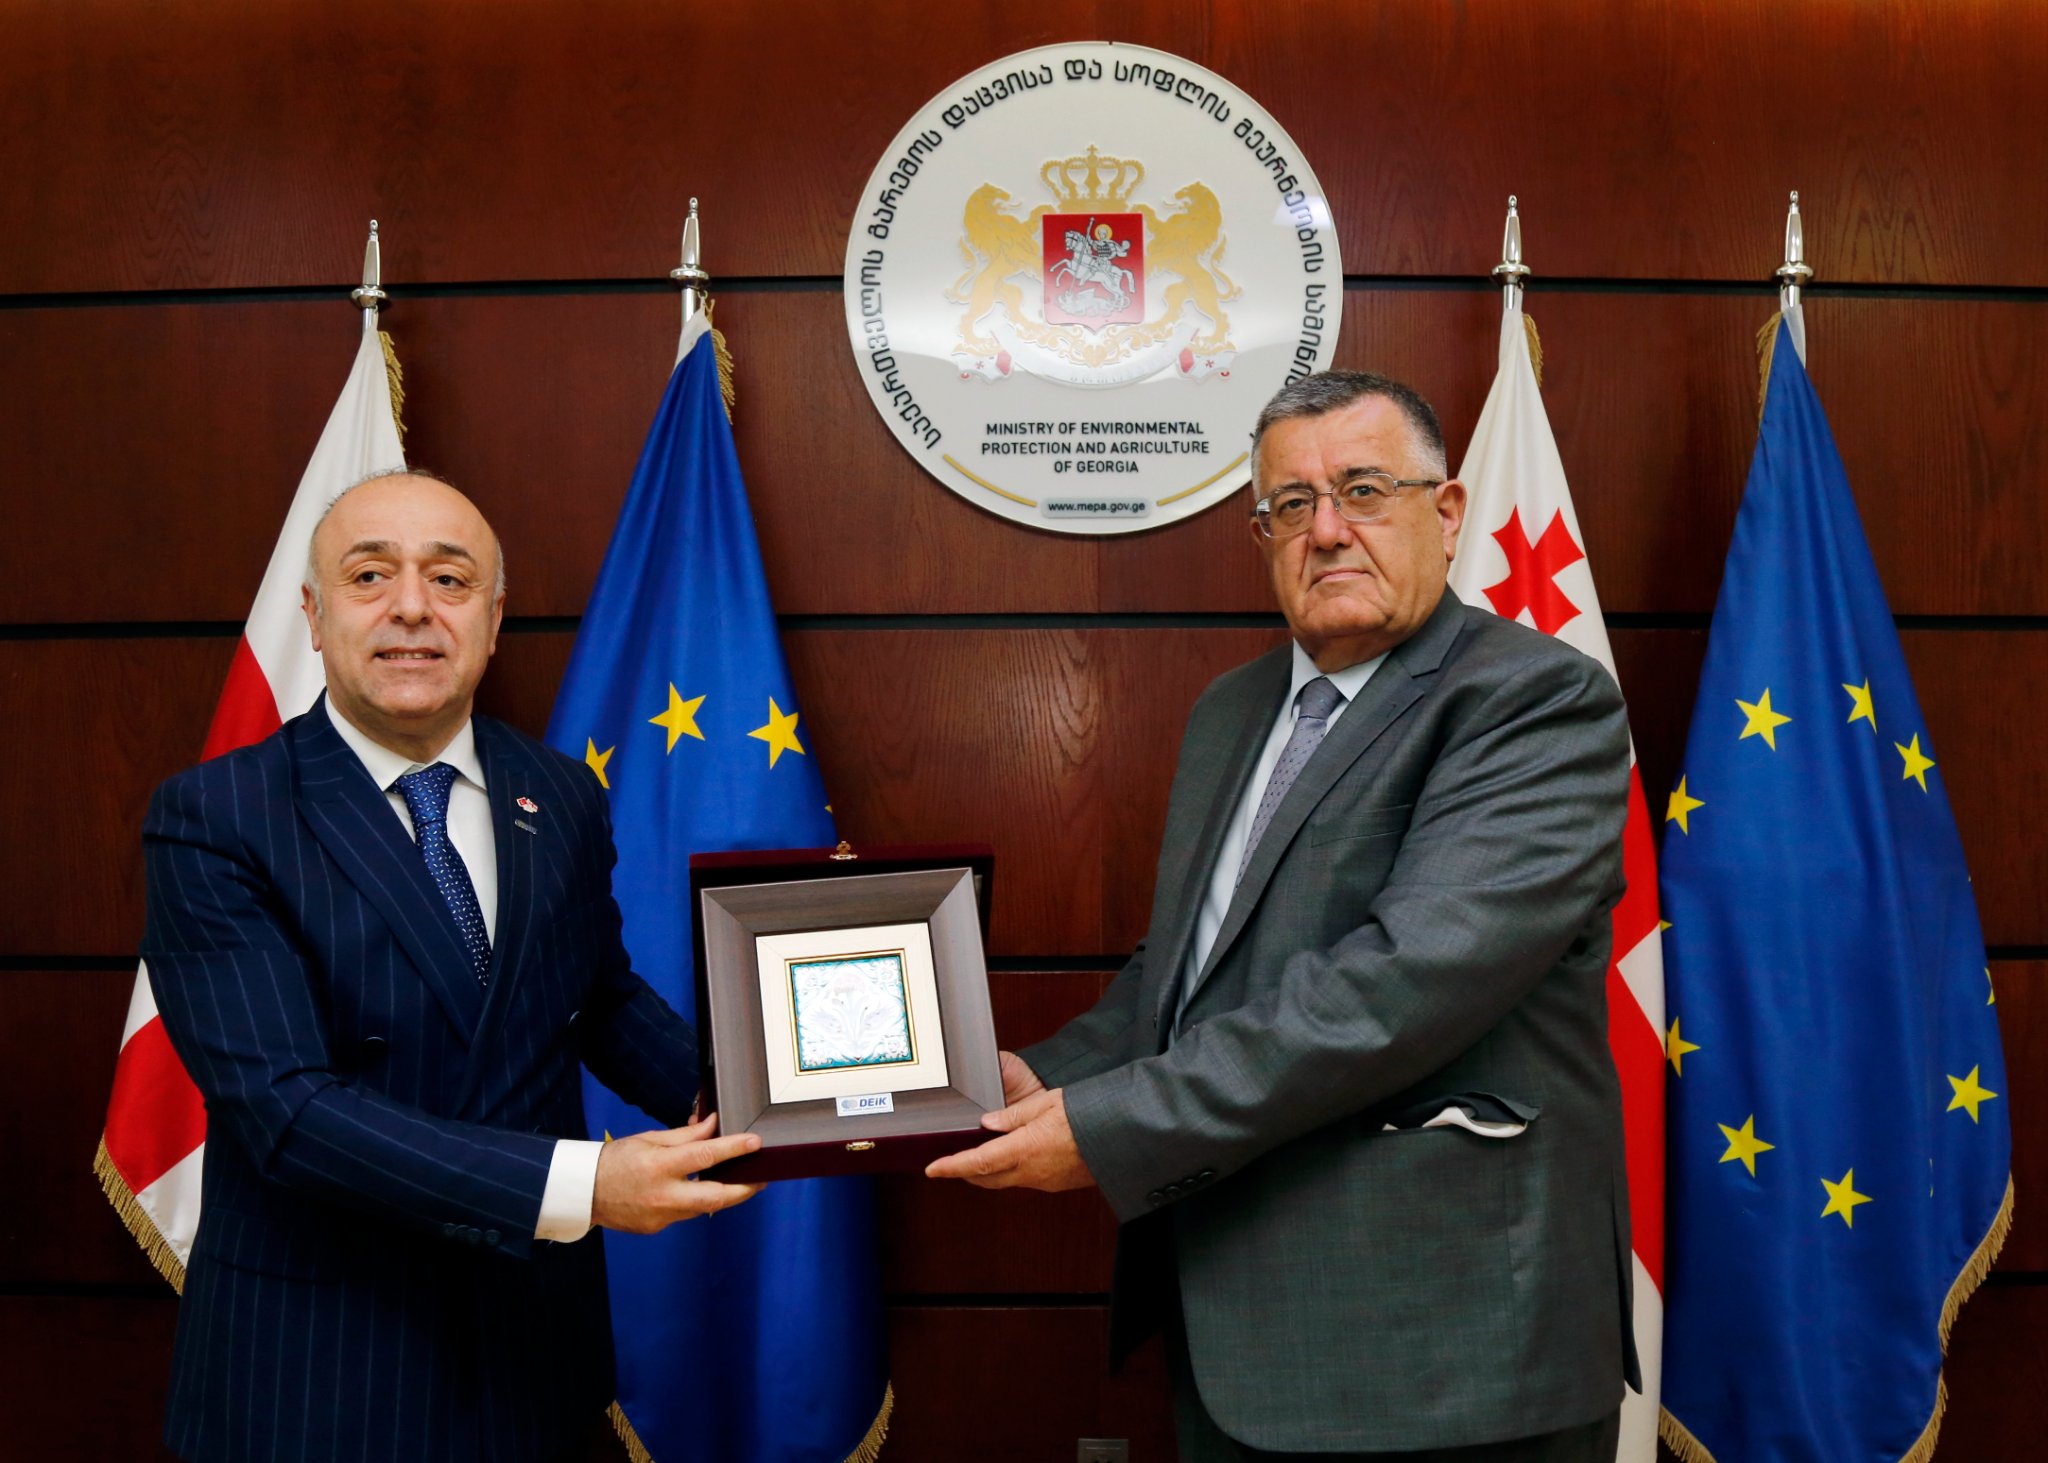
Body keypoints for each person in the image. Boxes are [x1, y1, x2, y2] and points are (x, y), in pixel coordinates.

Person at [929, 372, 1639, 1461]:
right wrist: (1051, 1076)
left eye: (1364, 489)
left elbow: (1398, 985)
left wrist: (1110, 1125)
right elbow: (1189, 964)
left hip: (1447, 1351)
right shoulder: (1232, 709)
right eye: (1292, 504)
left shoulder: (1533, 700)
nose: (1328, 529)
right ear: (1262, 534)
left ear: (1447, 513)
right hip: (1234, 1323)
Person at [141, 470, 761, 1463]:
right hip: (318, 1370)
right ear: (314, 614)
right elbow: (286, 1109)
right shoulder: (218, 817)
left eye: (449, 578)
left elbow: (593, 997)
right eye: (369, 575)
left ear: (493, 616)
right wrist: (582, 1183)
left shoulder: (557, 791)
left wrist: (772, 1096)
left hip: (530, 1358)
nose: (411, 607)